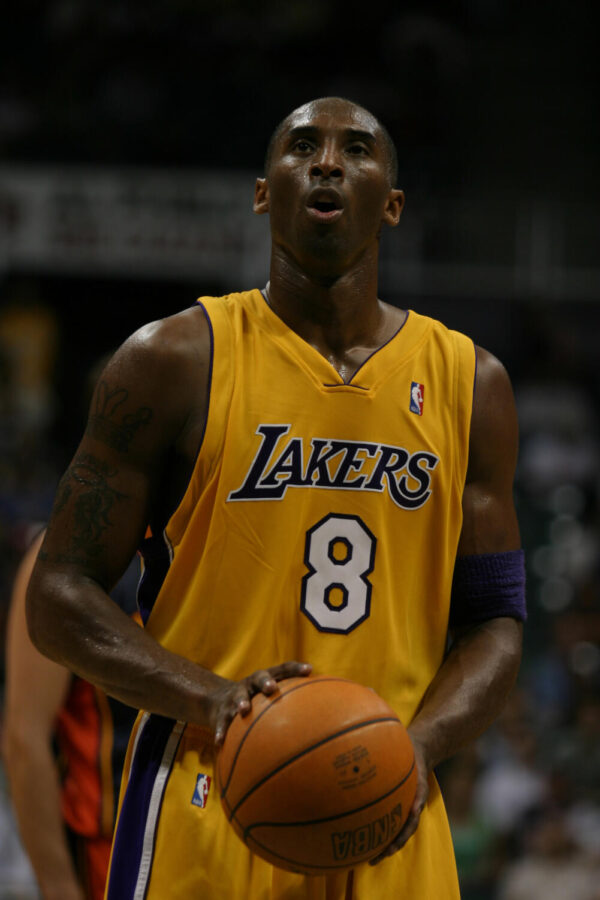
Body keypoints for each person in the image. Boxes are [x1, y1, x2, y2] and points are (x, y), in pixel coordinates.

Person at [26, 96, 526, 899]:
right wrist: (217, 699)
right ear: (265, 191)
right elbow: (55, 597)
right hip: (209, 798)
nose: (327, 161)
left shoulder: (474, 384)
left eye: (356, 150)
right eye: (302, 146)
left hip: (390, 812)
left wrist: (416, 749)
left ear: (391, 206)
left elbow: (495, 623)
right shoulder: (173, 360)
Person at [3, 529, 140, 900]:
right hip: (108, 855)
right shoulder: (67, 553)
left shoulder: (209, 536)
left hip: (206, 839)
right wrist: (60, 887)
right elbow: (24, 738)